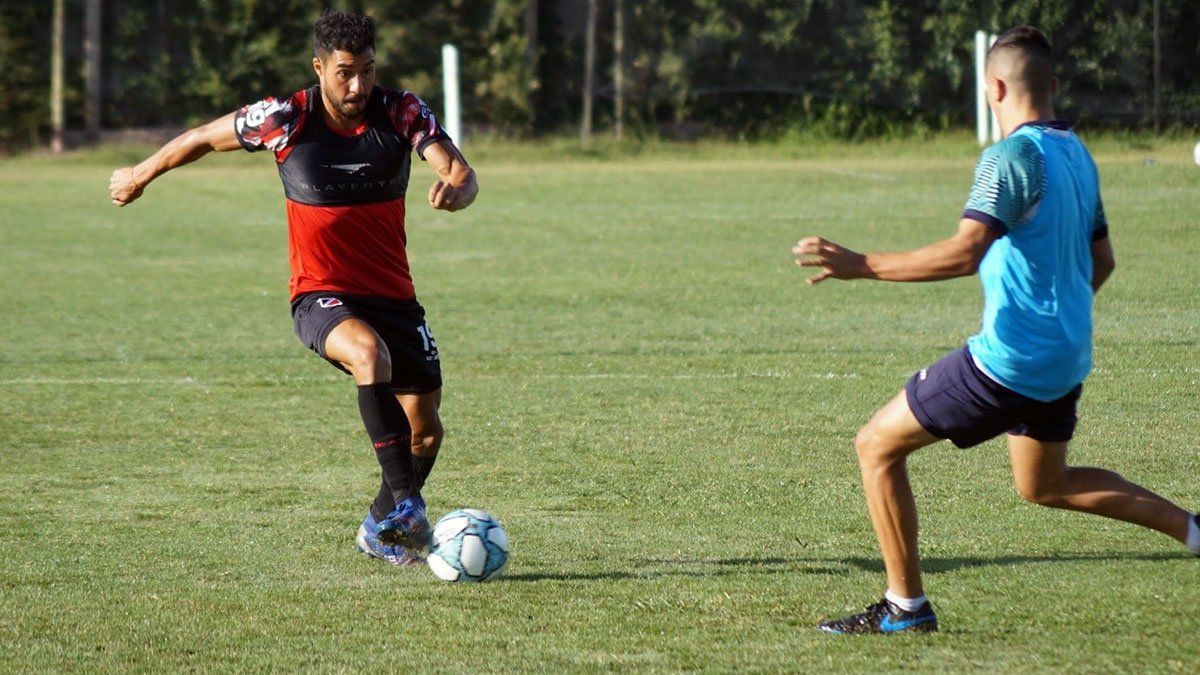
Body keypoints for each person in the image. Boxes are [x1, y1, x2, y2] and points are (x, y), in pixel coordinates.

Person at [793, 25, 1199, 634]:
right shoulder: (1078, 156)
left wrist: (864, 265)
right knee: (1045, 483)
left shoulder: (1010, 157)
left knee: (875, 446)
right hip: (1064, 358)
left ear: (996, 88)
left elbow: (964, 252)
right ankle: (1193, 530)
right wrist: (1055, 319)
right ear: (1054, 86)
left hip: (1011, 361)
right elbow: (1103, 261)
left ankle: (905, 608)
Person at [108, 10, 479, 567]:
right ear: (319, 67)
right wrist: (139, 174)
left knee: (425, 434)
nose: (358, 86)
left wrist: (456, 190)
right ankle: (408, 506)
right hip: (321, 294)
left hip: (395, 297)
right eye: (345, 73)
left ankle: (380, 528)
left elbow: (461, 172)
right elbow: (205, 138)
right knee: (366, 353)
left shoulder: (401, 111)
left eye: (368, 71)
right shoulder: (285, 117)